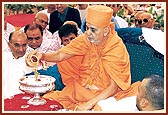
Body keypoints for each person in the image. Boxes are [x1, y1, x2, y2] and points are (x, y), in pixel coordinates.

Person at [25, 5, 139, 111]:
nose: (88, 33)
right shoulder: (86, 39)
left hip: (105, 96)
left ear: (106, 31)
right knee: (48, 101)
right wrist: (42, 56)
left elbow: (113, 88)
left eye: (93, 29)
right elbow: (61, 55)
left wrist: (88, 105)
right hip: (80, 90)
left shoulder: (116, 49)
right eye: (87, 27)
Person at [97, 74, 164, 111]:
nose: (136, 93)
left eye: (139, 90)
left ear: (143, 103)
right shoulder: (133, 102)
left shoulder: (132, 103)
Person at [3, 31, 29, 99]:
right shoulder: (3, 58)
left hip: (25, 98)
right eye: (17, 45)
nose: (21, 49)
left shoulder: (31, 60)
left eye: (24, 45)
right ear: (9, 45)